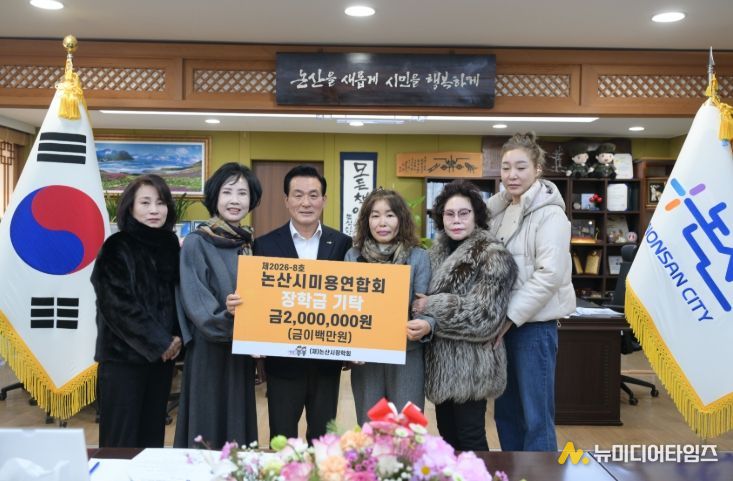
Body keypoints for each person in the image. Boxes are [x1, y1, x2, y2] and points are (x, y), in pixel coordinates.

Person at [243, 165, 351, 442]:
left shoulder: (343, 244)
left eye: (313, 195)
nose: (306, 203)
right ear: (286, 200)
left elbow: (353, 299)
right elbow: (258, 300)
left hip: (326, 362)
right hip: (283, 363)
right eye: (298, 195)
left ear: (324, 200)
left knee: (323, 441)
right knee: (282, 440)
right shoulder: (264, 245)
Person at [411, 180, 517, 452]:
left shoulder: (493, 254)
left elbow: (485, 316)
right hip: (440, 364)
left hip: (473, 367)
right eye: (449, 214)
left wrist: (432, 305)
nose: (456, 220)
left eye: (464, 213)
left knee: (471, 438)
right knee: (447, 437)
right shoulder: (434, 253)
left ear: (476, 215)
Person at [489, 132, 576, 452]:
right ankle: (514, 472)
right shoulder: (498, 210)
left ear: (538, 169)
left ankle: (541, 473)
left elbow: (549, 275)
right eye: (506, 167)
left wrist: (510, 317)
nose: (512, 175)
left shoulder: (551, 214)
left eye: (521, 167)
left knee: (535, 416)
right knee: (506, 413)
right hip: (502, 326)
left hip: (533, 327)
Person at [174, 162, 262, 449]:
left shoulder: (247, 243)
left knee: (237, 428)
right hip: (209, 351)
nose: (235, 200)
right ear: (215, 197)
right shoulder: (196, 243)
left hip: (240, 352)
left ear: (252, 200)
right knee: (207, 430)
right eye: (227, 192)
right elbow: (198, 305)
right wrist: (231, 318)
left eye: (242, 193)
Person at [91, 174, 181, 448]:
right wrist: (160, 342)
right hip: (123, 361)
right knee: (120, 442)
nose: (154, 210)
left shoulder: (169, 246)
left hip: (161, 362)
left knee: (151, 440)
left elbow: (177, 298)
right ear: (130, 207)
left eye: (160, 203)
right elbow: (116, 304)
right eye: (145, 203)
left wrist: (177, 339)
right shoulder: (117, 246)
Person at [345, 189, 433, 425]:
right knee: (370, 425)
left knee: (408, 426)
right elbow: (346, 306)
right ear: (366, 221)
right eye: (375, 215)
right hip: (366, 356)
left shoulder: (418, 257)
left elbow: (425, 307)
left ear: (401, 219)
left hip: (407, 354)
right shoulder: (353, 256)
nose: (382, 222)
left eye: (390, 215)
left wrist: (424, 321)